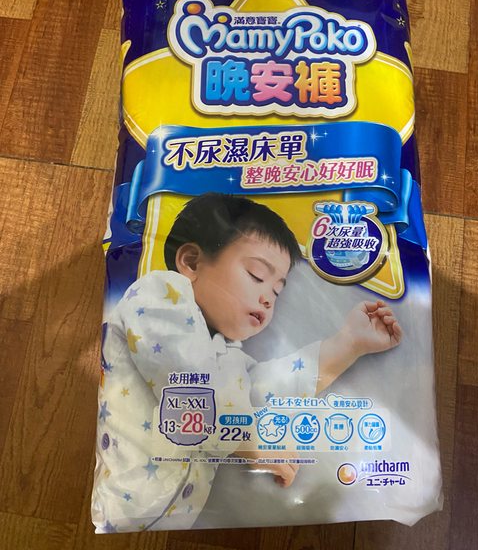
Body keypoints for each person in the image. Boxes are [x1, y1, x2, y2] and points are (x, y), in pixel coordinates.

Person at [92, 193, 402, 533]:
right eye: (256, 275)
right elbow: (186, 386)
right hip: (122, 504)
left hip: (162, 524)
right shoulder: (160, 296)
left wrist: (347, 345)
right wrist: (252, 442)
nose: (268, 298)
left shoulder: (226, 354)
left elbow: (263, 390)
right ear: (192, 262)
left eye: (277, 291)